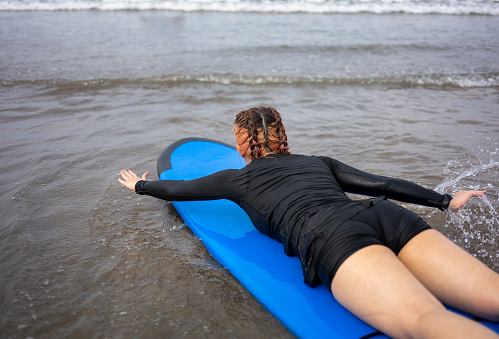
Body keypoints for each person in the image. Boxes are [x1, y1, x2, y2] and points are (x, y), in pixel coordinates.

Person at [118, 106, 499, 339]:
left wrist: (140, 185)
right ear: (282, 137)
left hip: (334, 238)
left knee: (425, 320)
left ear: (241, 146)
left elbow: (179, 189)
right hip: (383, 213)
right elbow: (382, 184)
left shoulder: (235, 179)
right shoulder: (320, 162)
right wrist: (446, 200)